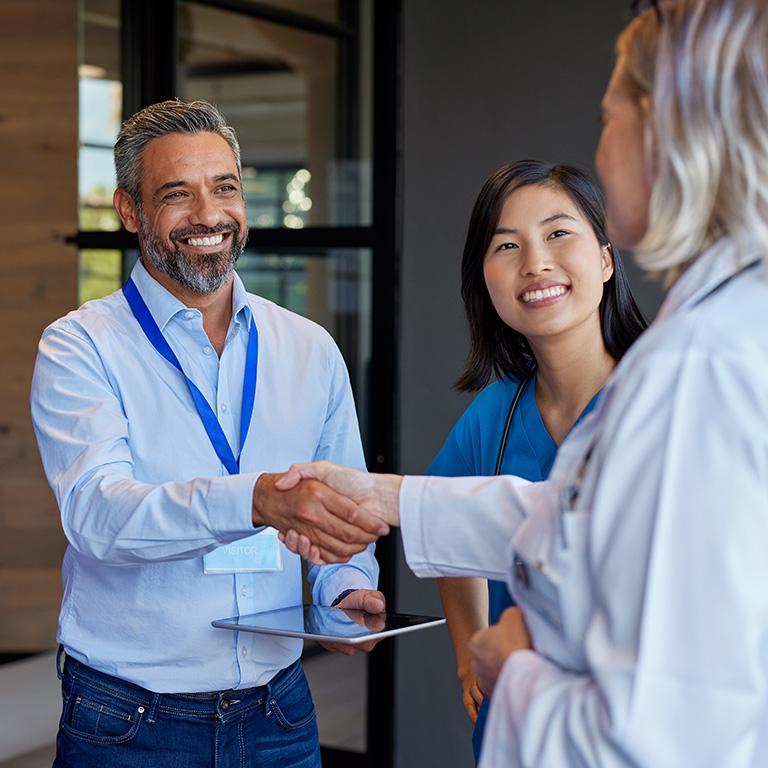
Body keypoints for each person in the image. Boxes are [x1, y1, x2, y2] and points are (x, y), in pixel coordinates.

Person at [276, 0, 768, 764]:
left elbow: (661, 735)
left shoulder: (701, 366)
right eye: (507, 246)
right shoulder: (714, 334)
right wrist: (385, 497)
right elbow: (578, 515)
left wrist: (517, 670)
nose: (603, 154)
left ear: (672, 127)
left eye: (610, 120)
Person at [30, 99, 389, 768]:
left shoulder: (310, 349)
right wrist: (253, 500)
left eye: (224, 187)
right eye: (177, 194)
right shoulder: (79, 348)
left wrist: (342, 589)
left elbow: (345, 510)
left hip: (279, 714)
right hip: (130, 723)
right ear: (130, 211)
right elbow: (99, 515)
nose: (209, 215)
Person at [428, 160, 646, 760]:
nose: (536, 263)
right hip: (518, 729)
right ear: (486, 279)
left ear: (605, 258)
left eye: (558, 233)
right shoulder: (493, 415)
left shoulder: (657, 403)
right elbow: (440, 522)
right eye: (507, 245)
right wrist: (469, 653)